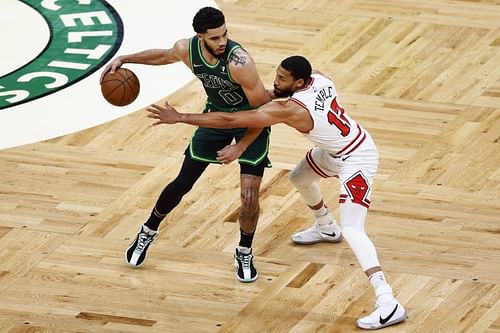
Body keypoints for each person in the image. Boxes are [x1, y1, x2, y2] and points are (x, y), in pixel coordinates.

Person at [146, 55, 408, 330]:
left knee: (354, 228)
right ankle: (326, 227)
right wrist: (277, 91)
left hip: (358, 158)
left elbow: (230, 119)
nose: (276, 81)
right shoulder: (318, 79)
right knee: (299, 178)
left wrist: (180, 117)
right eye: (277, 75)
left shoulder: (291, 109)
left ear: (299, 82)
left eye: (282, 79)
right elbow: (313, 72)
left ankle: (387, 301)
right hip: (335, 150)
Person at [100, 7, 271, 283]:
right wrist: (125, 58)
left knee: (249, 196)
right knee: (182, 182)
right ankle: (148, 231)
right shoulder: (186, 49)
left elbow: (263, 113)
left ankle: (244, 250)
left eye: (225, 34)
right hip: (215, 115)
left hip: (250, 120)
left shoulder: (240, 63)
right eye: (215, 38)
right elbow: (163, 56)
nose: (222, 42)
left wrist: (241, 146)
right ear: (200, 36)